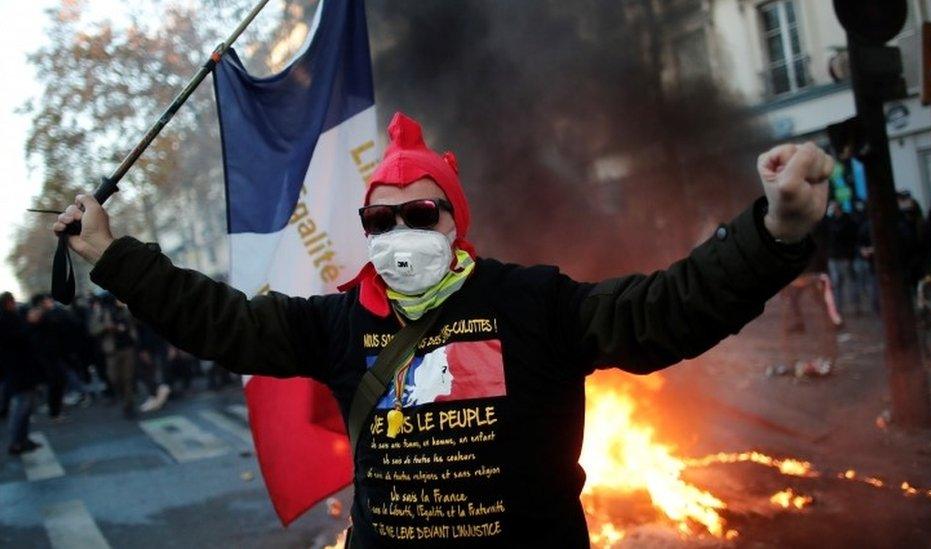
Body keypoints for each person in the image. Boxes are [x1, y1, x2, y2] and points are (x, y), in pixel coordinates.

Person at [54, 113, 831, 547]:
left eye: (420, 213)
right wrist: (113, 255)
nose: (399, 232)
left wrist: (773, 232)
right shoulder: (335, 322)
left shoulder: (533, 301)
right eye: (379, 220)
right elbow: (220, 322)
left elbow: (666, 310)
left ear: (455, 220)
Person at [1, 292, 43, 454]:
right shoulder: (5, 320)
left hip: (24, 369)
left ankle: (22, 439)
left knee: (27, 407)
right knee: (21, 407)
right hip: (18, 370)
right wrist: (30, 323)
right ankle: (16, 442)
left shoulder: (13, 317)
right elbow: (18, 339)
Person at [90, 296, 138, 418]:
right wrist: (106, 327)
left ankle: (129, 405)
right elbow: (93, 329)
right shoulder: (101, 312)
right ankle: (122, 396)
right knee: (114, 378)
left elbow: (135, 322)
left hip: (128, 348)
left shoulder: (125, 310)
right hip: (112, 350)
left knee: (128, 378)